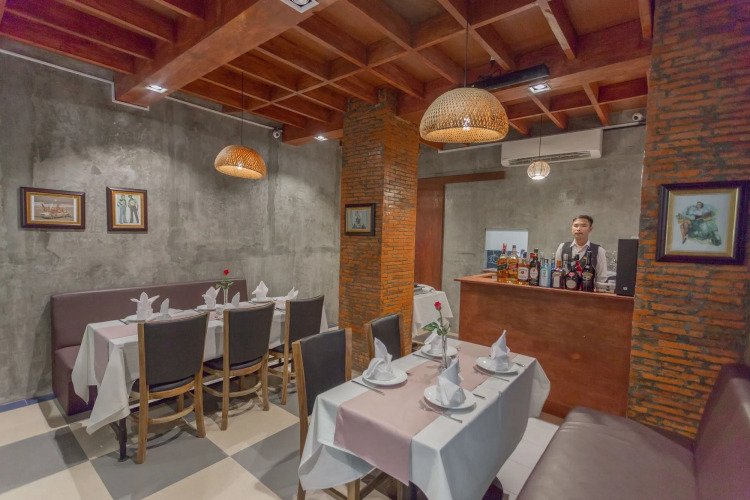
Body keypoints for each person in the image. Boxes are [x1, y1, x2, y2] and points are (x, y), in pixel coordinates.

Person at [554, 215, 608, 281]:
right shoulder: (562, 247)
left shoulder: (599, 251)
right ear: (572, 228)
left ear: (590, 229)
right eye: (575, 226)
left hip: (587, 287)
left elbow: (602, 278)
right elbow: (557, 272)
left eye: (583, 226)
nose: (578, 229)